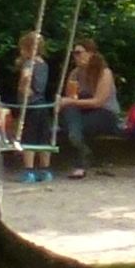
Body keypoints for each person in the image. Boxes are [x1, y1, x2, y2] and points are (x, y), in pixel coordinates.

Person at [53, 40, 122, 179]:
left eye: (79, 53)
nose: (76, 56)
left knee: (75, 125)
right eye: (74, 54)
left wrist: (71, 101)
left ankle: (80, 162)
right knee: (71, 115)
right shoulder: (75, 74)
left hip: (104, 113)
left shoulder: (104, 73)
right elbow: (71, 99)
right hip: (82, 115)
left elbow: (98, 102)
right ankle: (80, 149)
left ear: (90, 53)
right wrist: (67, 101)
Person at [6, 30, 57, 183]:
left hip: (31, 105)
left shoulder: (29, 63)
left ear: (27, 48)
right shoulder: (44, 64)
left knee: (29, 137)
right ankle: (45, 170)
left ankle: (29, 171)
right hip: (42, 104)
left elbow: (26, 77)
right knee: (43, 138)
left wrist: (23, 88)